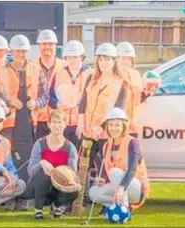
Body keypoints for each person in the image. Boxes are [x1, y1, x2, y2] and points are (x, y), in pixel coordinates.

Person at [0, 34, 49, 211]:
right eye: (18, 50)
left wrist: (36, 103)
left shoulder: (36, 69)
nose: (21, 53)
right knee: (7, 158)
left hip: (29, 123)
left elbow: (46, 95)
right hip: (7, 124)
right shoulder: (1, 70)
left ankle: (24, 197)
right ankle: (9, 197)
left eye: (24, 51)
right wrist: (9, 101)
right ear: (11, 51)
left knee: (27, 160)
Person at [76, 42, 128, 212]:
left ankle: (107, 203)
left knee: (105, 168)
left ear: (114, 61)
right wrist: (81, 122)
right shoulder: (91, 78)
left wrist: (103, 128)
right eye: (101, 59)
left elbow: (118, 112)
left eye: (107, 59)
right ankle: (80, 199)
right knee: (83, 166)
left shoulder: (121, 83)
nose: (104, 62)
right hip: (88, 132)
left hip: (107, 134)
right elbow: (83, 102)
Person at [87, 108, 150, 211]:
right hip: (117, 184)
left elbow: (132, 170)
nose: (113, 128)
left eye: (117, 125)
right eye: (111, 125)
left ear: (123, 126)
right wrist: (102, 179)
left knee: (115, 172)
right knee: (93, 192)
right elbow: (105, 170)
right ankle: (113, 206)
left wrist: (121, 188)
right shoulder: (106, 145)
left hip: (135, 187)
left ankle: (123, 209)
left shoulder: (132, 142)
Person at [28, 109, 79, 219]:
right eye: (54, 122)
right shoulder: (40, 144)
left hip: (59, 187)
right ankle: (38, 209)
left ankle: (57, 206)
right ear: (49, 124)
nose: (57, 125)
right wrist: (42, 162)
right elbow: (30, 171)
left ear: (65, 125)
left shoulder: (70, 147)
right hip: (40, 187)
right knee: (43, 172)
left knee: (74, 191)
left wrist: (72, 182)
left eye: (60, 122)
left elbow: (72, 172)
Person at [116, 41, 160, 138]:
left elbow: (137, 98)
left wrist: (148, 91)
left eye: (129, 59)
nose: (126, 62)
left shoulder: (135, 75)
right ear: (117, 59)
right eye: (123, 58)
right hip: (117, 126)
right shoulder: (113, 77)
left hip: (132, 126)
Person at [55, 40, 92, 145]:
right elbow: (51, 96)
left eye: (75, 57)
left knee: (82, 157)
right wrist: (57, 104)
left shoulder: (91, 74)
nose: (72, 60)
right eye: (69, 57)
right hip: (63, 124)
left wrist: (83, 120)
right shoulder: (60, 73)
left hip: (83, 124)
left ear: (82, 57)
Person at [34, 29, 66, 140]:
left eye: (50, 44)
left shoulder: (65, 67)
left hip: (59, 121)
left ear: (56, 46)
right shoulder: (31, 67)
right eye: (44, 44)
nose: (47, 47)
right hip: (37, 121)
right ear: (39, 46)